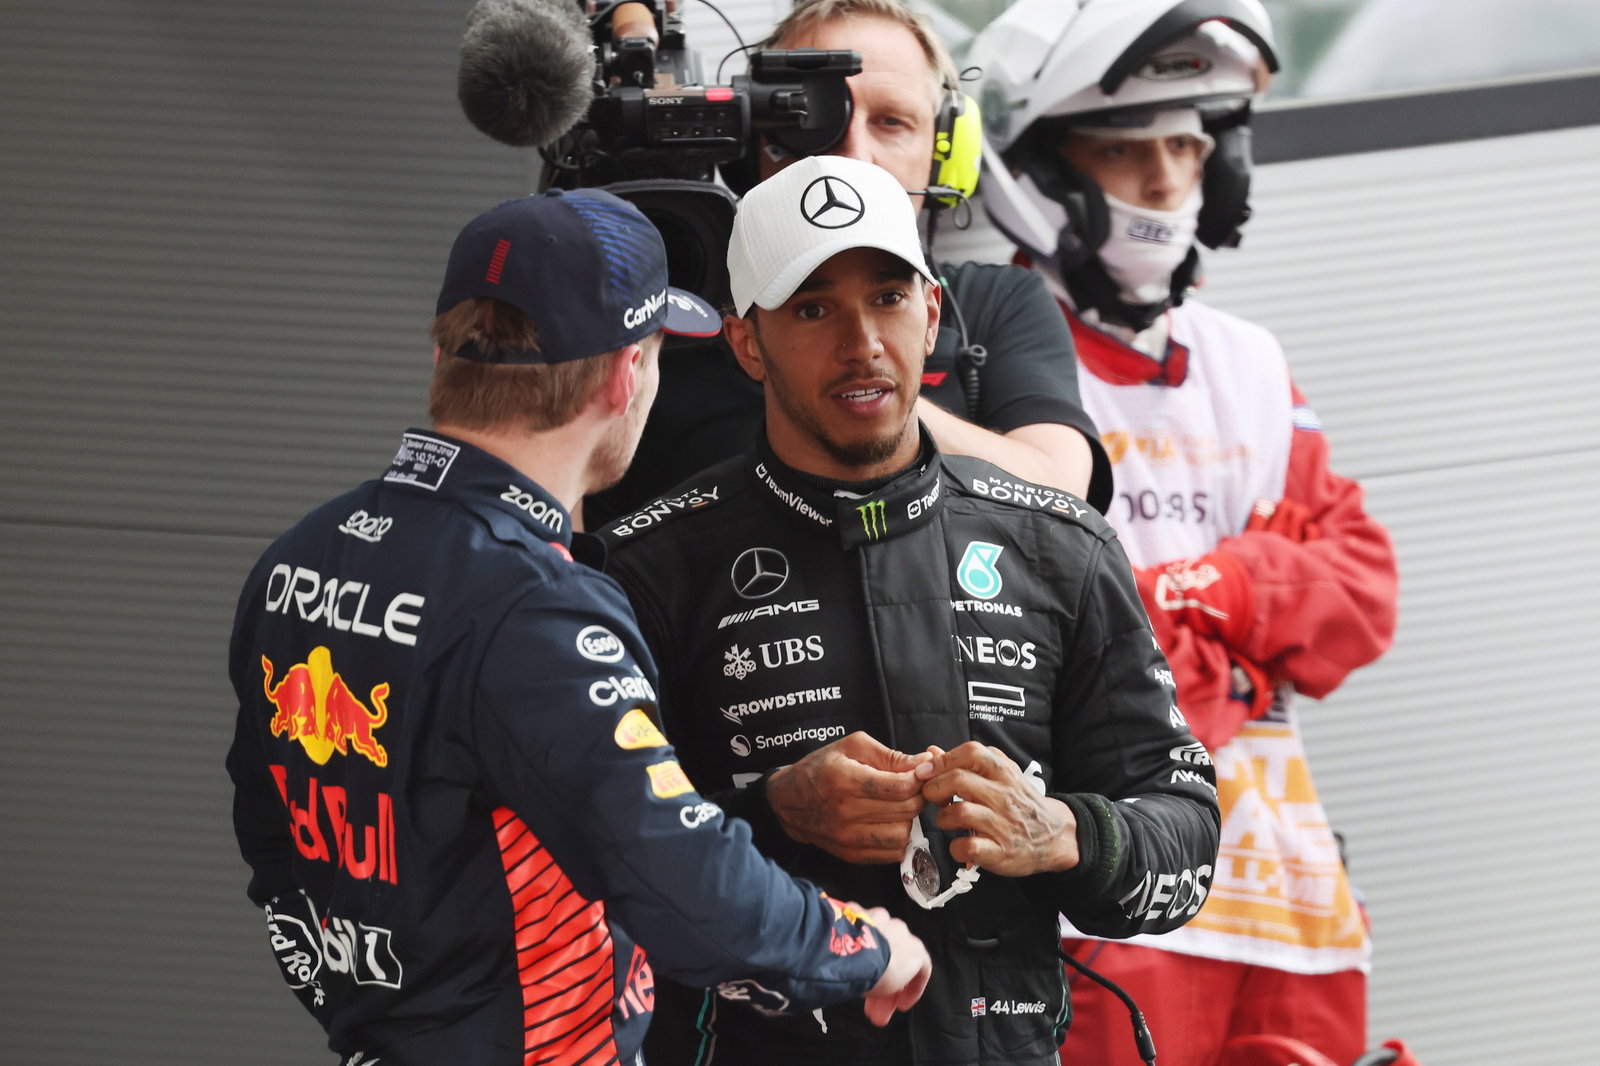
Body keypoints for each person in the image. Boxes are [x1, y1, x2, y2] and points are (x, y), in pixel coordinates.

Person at [225, 187, 932, 1066]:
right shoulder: (534, 603)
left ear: (443, 351)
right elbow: (682, 883)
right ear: (622, 376)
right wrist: (862, 948)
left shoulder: (304, 555)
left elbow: (272, 835)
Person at [601, 154, 1222, 1066]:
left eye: (888, 298)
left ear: (931, 314)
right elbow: (586, 861)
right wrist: (769, 815)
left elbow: (1189, 835)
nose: (862, 344)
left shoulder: (1061, 547)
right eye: (812, 309)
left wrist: (1063, 836)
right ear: (746, 344)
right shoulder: (648, 567)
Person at [968, 2, 1400, 1063]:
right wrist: (1248, 641)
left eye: (1187, 146)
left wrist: (1201, 592)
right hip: (1100, 902)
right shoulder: (994, 366)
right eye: (1124, 150)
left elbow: (1356, 591)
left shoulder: (1246, 361)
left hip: (1281, 902)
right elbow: (1043, 661)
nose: (1166, 182)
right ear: (1046, 170)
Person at [584, 0, 1110, 527]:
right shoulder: (660, 308)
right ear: (753, 148)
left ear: (945, 148)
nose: (853, 155)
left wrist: (856, 388)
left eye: (892, 121)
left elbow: (1060, 492)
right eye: (810, 118)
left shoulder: (997, 301)